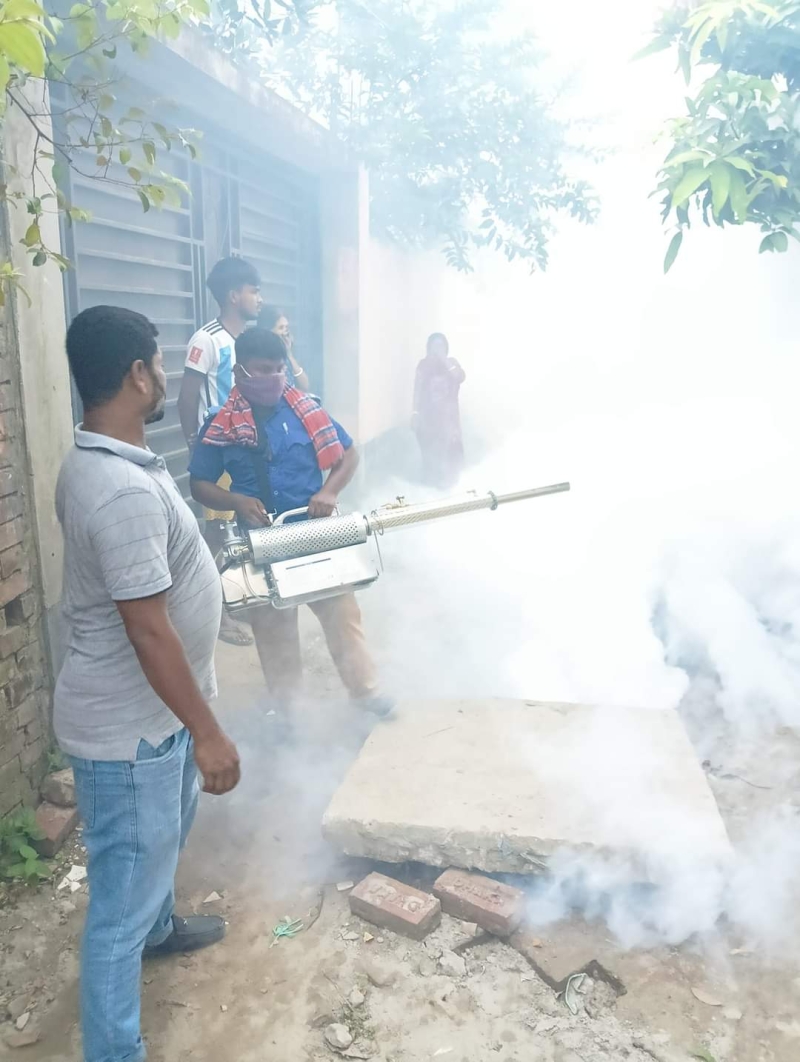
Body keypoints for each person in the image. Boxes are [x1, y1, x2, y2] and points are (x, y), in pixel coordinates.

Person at [55, 305, 241, 1062]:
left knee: (154, 855)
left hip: (149, 723)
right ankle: (115, 1051)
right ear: (137, 373)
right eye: (161, 362)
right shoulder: (121, 489)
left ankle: (160, 931)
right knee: (117, 909)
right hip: (130, 736)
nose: (167, 375)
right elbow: (148, 629)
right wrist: (209, 732)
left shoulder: (107, 461)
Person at [188, 327, 393, 722]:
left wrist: (330, 491)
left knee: (342, 616)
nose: (274, 378)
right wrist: (235, 501)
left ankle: (366, 694)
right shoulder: (221, 425)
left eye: (279, 369)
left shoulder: (307, 410)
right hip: (261, 544)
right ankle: (290, 714)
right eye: (264, 370)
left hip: (313, 535)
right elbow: (199, 484)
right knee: (274, 630)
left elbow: (348, 454)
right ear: (241, 373)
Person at [177, 256, 263, 648]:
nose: (259, 299)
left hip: (245, 450)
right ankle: (214, 615)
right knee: (217, 532)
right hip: (218, 449)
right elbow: (187, 396)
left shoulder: (245, 342)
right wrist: (198, 447)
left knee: (237, 527)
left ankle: (227, 599)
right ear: (234, 295)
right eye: (253, 291)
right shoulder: (206, 339)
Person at [412, 332, 467, 489]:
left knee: (452, 455)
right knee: (430, 457)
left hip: (450, 421)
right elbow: (417, 389)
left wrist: (443, 359)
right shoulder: (423, 365)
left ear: (446, 348)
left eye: (441, 345)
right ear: (428, 348)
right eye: (434, 346)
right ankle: (430, 490)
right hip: (428, 420)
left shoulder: (452, 363)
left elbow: (459, 376)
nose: (437, 349)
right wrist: (414, 413)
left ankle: (454, 487)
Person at [259, 304, 310, 391]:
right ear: (268, 331)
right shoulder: (260, 357)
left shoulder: (286, 355)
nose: (285, 333)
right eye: (281, 328)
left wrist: (289, 354)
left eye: (286, 327)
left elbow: (304, 386)